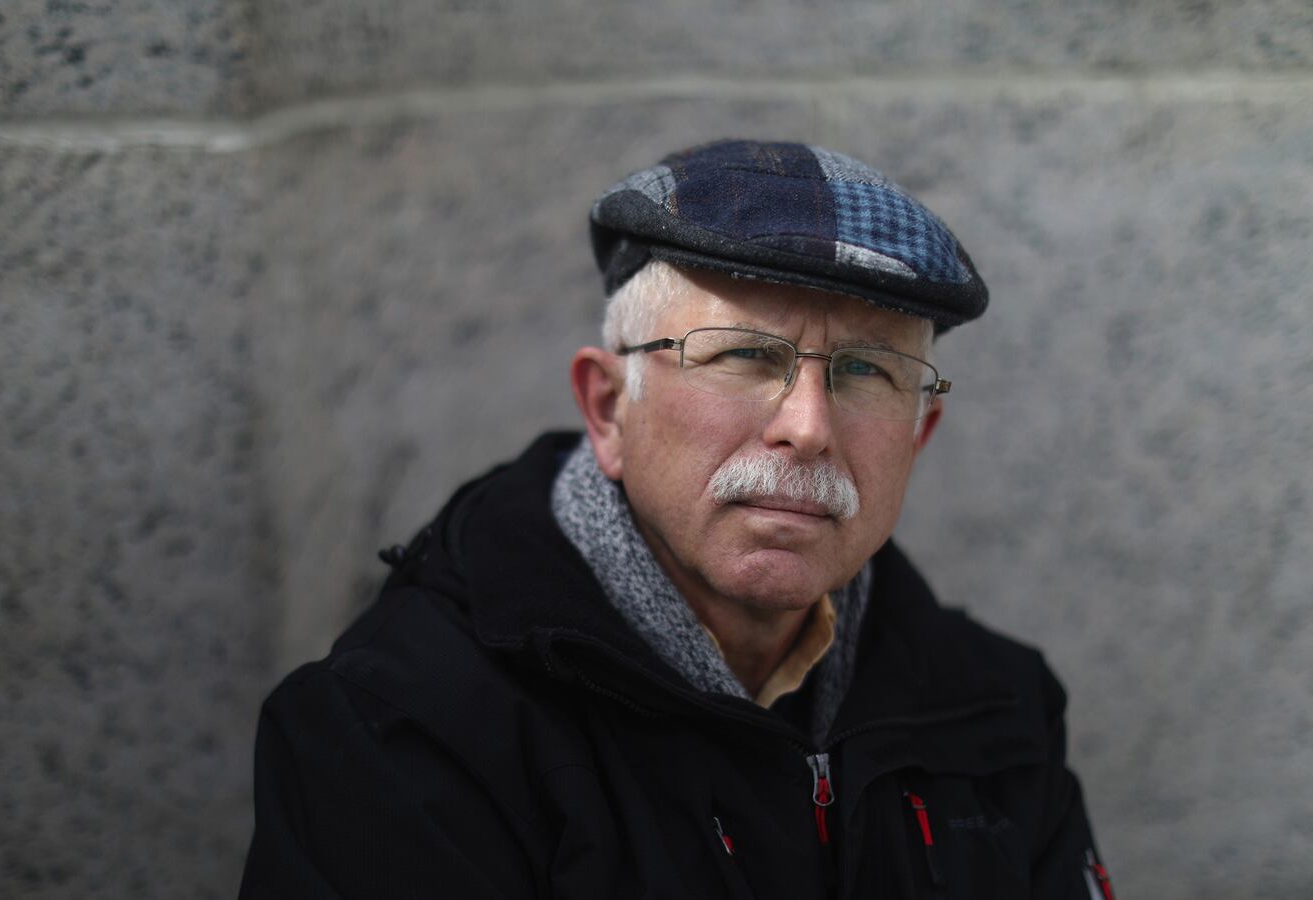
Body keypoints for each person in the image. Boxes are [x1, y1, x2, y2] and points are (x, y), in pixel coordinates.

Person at [238, 139, 1114, 899]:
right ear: (610, 407)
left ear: (918, 435)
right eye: (743, 356)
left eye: (865, 373)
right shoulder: (401, 732)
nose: (806, 428)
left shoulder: (997, 710)